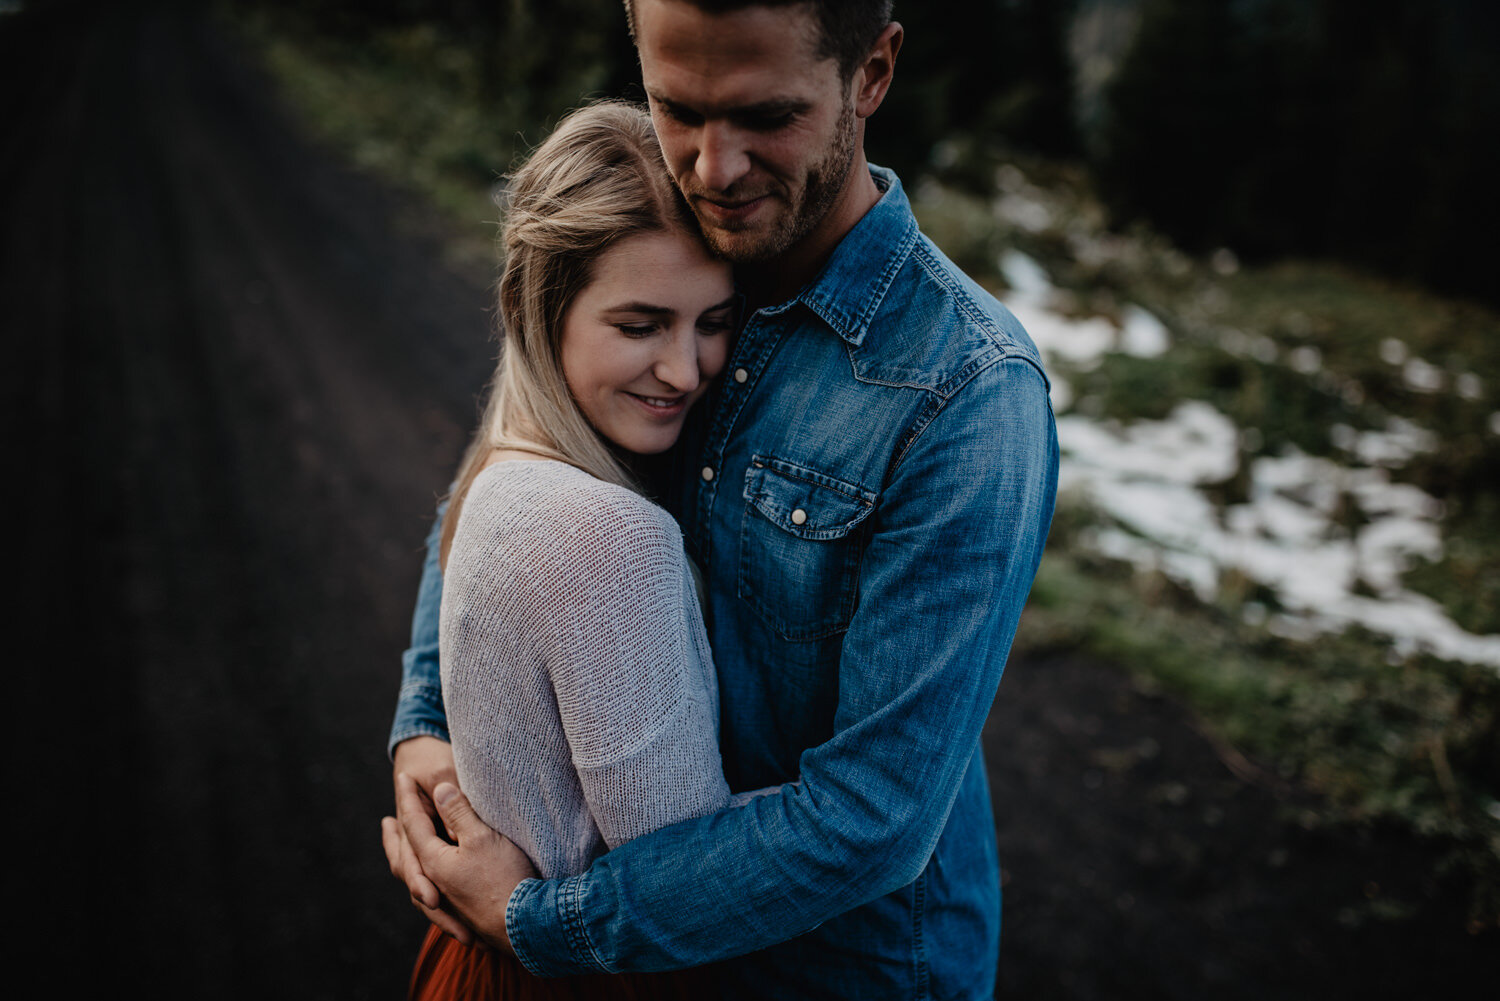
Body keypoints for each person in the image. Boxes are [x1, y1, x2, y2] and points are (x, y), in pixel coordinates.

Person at [385, 2, 1060, 997]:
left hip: (834, 973)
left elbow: (875, 814)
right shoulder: (662, 235)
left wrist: (543, 920)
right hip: (639, 954)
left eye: (765, 116)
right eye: (679, 109)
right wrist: (426, 722)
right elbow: (520, 448)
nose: (714, 168)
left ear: (871, 74)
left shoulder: (966, 391)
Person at [385, 100, 748, 999]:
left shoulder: (506, 462)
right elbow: (674, 865)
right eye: (640, 325)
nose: (686, 368)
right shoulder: (610, 534)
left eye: (713, 321)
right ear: (533, 309)